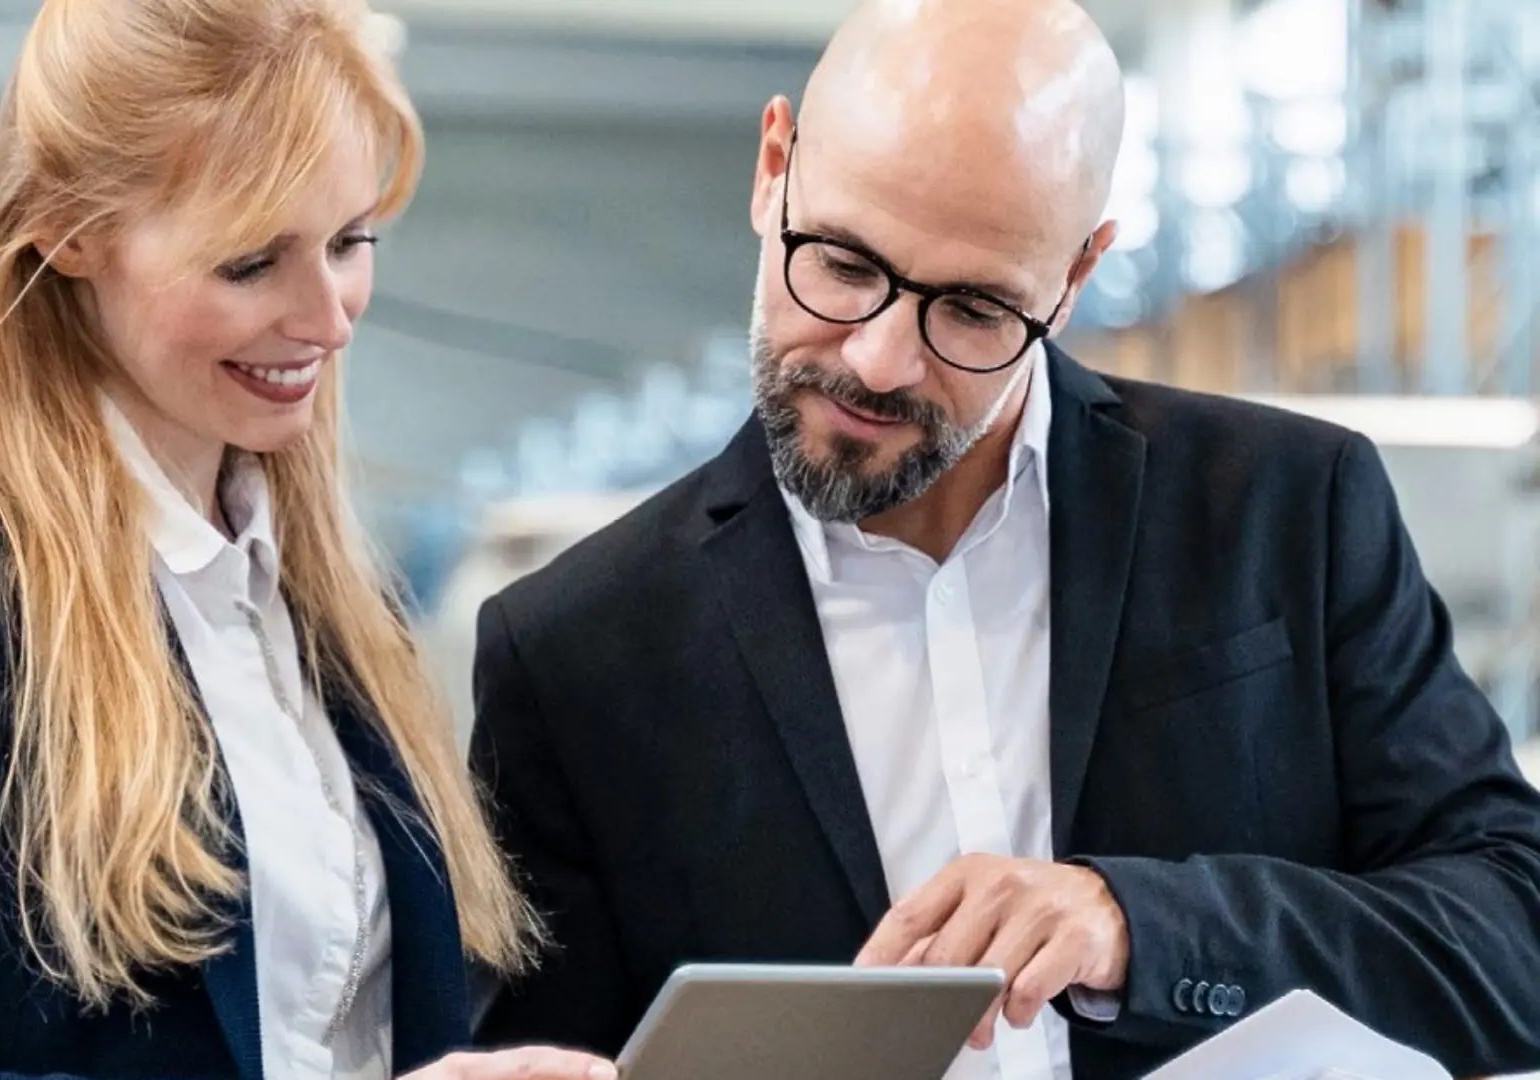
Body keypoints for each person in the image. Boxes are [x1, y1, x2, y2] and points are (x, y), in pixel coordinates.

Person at [466, 0, 1540, 1077]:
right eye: (840, 264)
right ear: (773, 166)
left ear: (1074, 279)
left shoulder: (1285, 511)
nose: (881, 361)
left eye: (973, 309)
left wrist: (1137, 922)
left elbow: (1513, 932)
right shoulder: (575, 654)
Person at [0, 3, 619, 1080]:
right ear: (65, 228)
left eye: (350, 242)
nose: (329, 318)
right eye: (252, 262)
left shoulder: (337, 607)